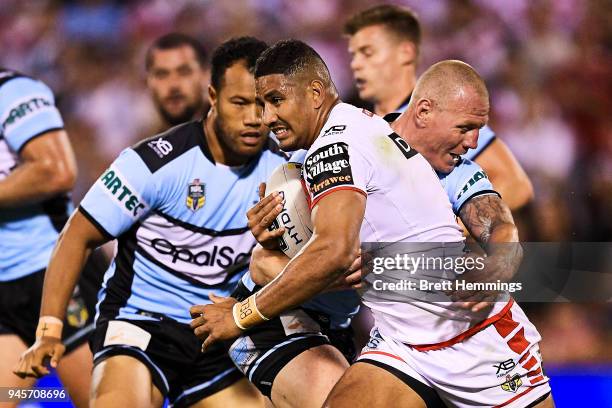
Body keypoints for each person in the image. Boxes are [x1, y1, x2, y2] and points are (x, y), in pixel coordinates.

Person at [190, 42, 553, 407]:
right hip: (403, 344)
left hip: (474, 340)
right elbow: (280, 259)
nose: (266, 117)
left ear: (315, 93)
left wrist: (240, 315)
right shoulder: (355, 128)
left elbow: (334, 251)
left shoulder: (336, 146)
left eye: (275, 101)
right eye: (262, 104)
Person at [14, 37, 285, 408]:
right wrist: (49, 329)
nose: (254, 118)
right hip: (140, 325)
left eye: (263, 104)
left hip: (215, 335)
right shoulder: (154, 164)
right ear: (212, 96)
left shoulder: (284, 172)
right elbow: (76, 235)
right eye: (240, 103)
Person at [344, 4, 534, 210]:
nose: (356, 64)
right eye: (354, 55)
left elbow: (516, 186)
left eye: (367, 53)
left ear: (405, 53)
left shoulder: (444, 115)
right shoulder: (361, 120)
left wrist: (447, 227)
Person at [0, 68, 104, 408]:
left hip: (54, 274)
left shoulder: (13, 91)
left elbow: (55, 170)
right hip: (5, 289)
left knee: (99, 401)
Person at [145, 33, 210, 130]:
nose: (173, 85)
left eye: (184, 72)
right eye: (162, 74)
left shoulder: (232, 138)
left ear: (206, 76)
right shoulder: (149, 143)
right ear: (148, 81)